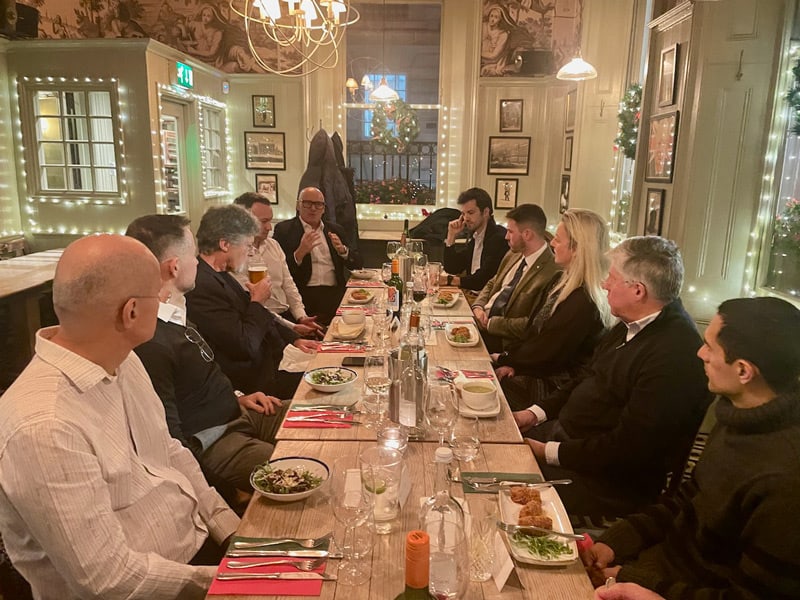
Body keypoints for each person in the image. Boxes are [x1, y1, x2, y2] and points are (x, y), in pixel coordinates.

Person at [0, 234, 239, 599]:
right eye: (157, 295)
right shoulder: (44, 425)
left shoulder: (125, 360)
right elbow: (107, 581)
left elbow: (170, 451)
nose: (163, 302)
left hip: (199, 554)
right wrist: (227, 580)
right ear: (131, 311)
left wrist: (233, 532)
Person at [581, 297, 800, 599]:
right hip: (653, 569)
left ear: (743, 371)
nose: (700, 353)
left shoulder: (785, 479)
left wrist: (635, 580)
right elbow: (686, 501)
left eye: (710, 347)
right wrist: (616, 542)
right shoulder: (736, 414)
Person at [515, 236, 709, 517]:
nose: (605, 284)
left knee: (496, 486)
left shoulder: (674, 355)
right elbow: (585, 377)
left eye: (612, 278)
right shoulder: (630, 323)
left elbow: (628, 449)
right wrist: (533, 414)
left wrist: (548, 452)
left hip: (606, 482)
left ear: (638, 291)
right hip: (568, 441)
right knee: (486, 438)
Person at [126, 214, 287, 503]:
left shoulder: (175, 312)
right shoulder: (150, 341)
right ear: (174, 266)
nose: (199, 262)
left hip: (237, 412)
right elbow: (171, 438)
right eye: (193, 256)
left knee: (327, 420)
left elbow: (197, 378)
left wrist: (237, 396)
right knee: (304, 465)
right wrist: (219, 495)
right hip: (216, 441)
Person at [185, 204, 318, 398]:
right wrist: (257, 301)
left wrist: (294, 339)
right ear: (225, 244)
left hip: (273, 363)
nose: (249, 253)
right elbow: (244, 346)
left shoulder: (221, 274)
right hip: (255, 384)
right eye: (247, 245)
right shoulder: (202, 286)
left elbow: (256, 316)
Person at [493, 209, 614, 411]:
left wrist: (505, 359)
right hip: (536, 367)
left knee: (488, 393)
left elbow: (550, 353)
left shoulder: (585, 300)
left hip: (557, 386)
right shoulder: (560, 280)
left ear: (576, 248)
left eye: (558, 239)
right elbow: (533, 332)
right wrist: (512, 361)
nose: (552, 244)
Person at [471, 203, 560, 353]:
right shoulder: (514, 253)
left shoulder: (553, 272)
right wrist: (478, 306)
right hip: (480, 322)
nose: (506, 236)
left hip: (503, 342)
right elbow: (494, 281)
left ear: (527, 234)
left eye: (510, 232)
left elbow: (532, 323)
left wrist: (490, 323)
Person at [233, 192, 324, 338]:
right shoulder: (235, 255)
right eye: (263, 222)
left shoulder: (273, 245)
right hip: (263, 324)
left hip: (288, 317)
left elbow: (289, 286)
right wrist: (292, 327)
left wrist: (301, 316)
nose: (269, 227)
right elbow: (254, 305)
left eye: (270, 220)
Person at [273, 186, 363, 325]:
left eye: (318, 204)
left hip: (334, 293)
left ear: (324, 208)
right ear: (298, 205)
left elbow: (357, 264)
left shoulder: (335, 229)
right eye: (307, 203)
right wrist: (300, 253)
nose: (313, 208)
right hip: (303, 294)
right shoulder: (284, 230)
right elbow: (279, 272)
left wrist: (343, 251)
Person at [441, 187, 508, 294]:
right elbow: (452, 268)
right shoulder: (476, 235)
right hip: (471, 294)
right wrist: (451, 236)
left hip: (484, 301)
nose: (466, 218)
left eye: (470, 213)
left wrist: (449, 280)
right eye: (463, 213)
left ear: (486, 212)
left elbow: (483, 280)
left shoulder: (499, 238)